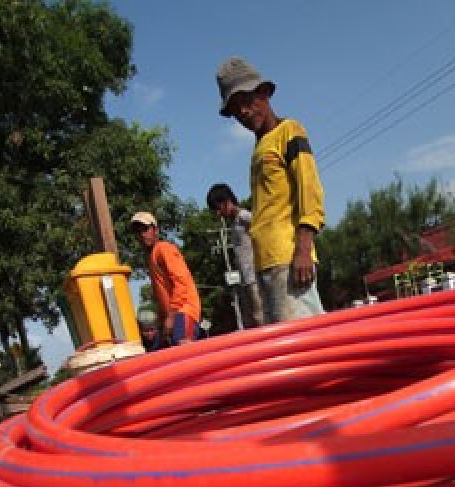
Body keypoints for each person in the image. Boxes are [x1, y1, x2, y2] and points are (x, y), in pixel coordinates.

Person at [215, 57, 326, 323]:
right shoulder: (259, 149)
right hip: (265, 263)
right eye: (234, 109)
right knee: (284, 345)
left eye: (246, 101)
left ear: (264, 92)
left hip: (288, 258)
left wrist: (302, 250)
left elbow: (309, 190)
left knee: (304, 342)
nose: (242, 112)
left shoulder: (289, 131)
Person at [129, 211, 202, 346]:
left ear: (155, 230)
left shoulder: (164, 249)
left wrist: (171, 316)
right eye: (138, 232)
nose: (142, 234)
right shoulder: (151, 257)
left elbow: (181, 283)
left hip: (183, 309)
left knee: (183, 346)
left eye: (145, 229)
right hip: (173, 314)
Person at [206, 182, 265, 327]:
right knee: (250, 321)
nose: (219, 214)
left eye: (219, 208)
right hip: (244, 279)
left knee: (261, 317)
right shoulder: (233, 224)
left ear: (227, 201)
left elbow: (263, 233)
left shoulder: (244, 217)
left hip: (255, 276)